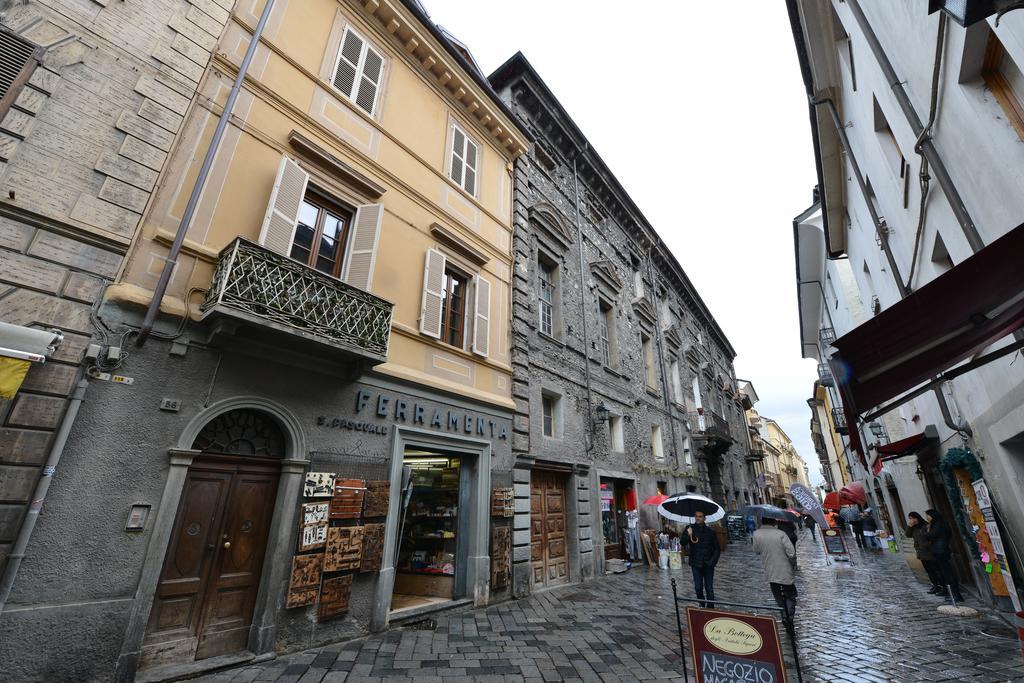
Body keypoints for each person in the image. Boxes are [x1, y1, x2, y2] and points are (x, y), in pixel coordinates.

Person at [753, 517, 797, 633]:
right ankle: (789, 617)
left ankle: (784, 615)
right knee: (790, 596)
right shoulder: (781, 534)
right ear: (774, 522)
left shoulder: (756, 534)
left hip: (770, 571)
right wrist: (793, 564)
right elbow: (791, 553)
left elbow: (756, 550)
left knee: (778, 597)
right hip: (785, 570)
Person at [681, 510, 720, 609]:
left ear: (704, 518)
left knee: (709, 588)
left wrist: (713, 561)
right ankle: (702, 605)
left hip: (708, 564)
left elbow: (717, 548)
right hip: (696, 563)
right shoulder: (690, 528)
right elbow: (682, 542)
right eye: (696, 516)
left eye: (700, 516)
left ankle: (711, 608)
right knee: (698, 588)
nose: (698, 518)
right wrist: (687, 534)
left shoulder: (710, 532)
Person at [925, 509, 964, 602]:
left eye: (928, 516)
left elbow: (930, 536)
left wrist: (928, 529)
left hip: (941, 551)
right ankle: (951, 593)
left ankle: (956, 595)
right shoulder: (940, 523)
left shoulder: (938, 524)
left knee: (948, 573)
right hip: (940, 550)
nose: (927, 518)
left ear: (933, 516)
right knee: (945, 573)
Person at [906, 511, 943, 594]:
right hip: (921, 553)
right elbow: (907, 535)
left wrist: (927, 545)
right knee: (929, 570)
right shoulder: (914, 528)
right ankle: (935, 585)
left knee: (935, 569)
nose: (911, 520)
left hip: (929, 551)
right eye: (910, 519)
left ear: (917, 518)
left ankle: (941, 586)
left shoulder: (925, 526)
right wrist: (909, 526)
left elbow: (930, 537)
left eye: (912, 518)